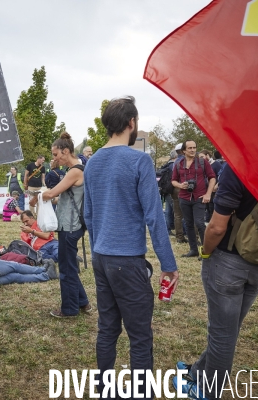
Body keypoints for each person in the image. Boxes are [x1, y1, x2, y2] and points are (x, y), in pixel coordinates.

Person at [84, 96, 179, 399]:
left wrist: (100, 247)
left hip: (102, 256)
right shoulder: (138, 160)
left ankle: (104, 389)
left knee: (107, 328)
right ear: (131, 123)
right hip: (126, 260)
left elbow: (89, 215)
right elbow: (155, 216)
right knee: (139, 336)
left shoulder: (92, 161)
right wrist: (169, 264)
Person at [173, 164, 258, 400]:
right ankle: (199, 372)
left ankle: (207, 393)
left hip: (229, 261)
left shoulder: (239, 168)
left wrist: (205, 252)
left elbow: (217, 227)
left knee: (222, 335)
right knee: (229, 329)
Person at [30, 132, 91, 318]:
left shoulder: (75, 171)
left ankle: (69, 309)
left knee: (66, 268)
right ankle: (82, 303)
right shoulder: (75, 170)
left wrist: (36, 198)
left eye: (55, 154)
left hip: (70, 225)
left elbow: (51, 193)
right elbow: (61, 197)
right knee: (69, 265)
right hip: (70, 224)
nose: (53, 158)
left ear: (65, 151)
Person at [171, 140, 216, 257]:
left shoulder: (202, 162)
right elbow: (173, 181)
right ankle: (193, 250)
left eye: (194, 147)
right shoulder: (178, 164)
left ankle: (206, 251)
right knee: (188, 224)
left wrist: (208, 194)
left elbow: (212, 178)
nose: (192, 150)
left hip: (199, 197)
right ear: (184, 151)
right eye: (190, 148)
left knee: (200, 223)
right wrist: (180, 185)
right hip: (184, 197)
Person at [171, 143, 187, 244]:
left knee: (177, 215)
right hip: (184, 188)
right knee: (188, 214)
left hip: (175, 188)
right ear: (183, 150)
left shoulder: (175, 161)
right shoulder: (185, 161)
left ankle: (179, 237)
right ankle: (191, 236)